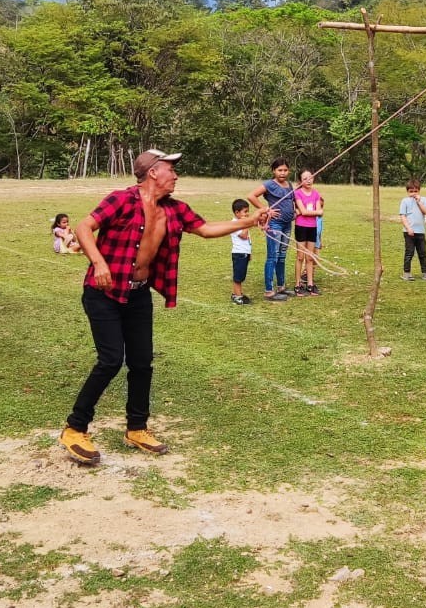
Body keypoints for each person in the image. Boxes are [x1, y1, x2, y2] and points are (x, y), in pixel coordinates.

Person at [60, 149, 269, 464]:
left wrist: (251, 220)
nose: (176, 175)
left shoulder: (175, 209)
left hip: (138, 294)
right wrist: (99, 262)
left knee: (143, 362)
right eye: (171, 170)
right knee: (111, 360)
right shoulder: (121, 199)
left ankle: (137, 427)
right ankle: (75, 429)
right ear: (153, 172)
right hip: (103, 293)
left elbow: (205, 229)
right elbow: (84, 227)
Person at [248, 158, 296, 302]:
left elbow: (291, 201)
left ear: (289, 171)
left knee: (282, 256)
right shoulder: (269, 184)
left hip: (287, 224)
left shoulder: (289, 185)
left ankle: (281, 286)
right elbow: (251, 196)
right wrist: (266, 210)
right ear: (273, 171)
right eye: (279, 170)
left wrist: (294, 212)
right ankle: (269, 291)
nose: (282, 173)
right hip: (275, 225)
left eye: (285, 170)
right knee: (272, 257)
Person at [292, 170, 323, 296]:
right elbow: (304, 212)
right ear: (301, 181)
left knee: (310, 257)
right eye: (305, 178)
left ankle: (310, 284)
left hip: (312, 227)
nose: (309, 180)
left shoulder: (316, 193)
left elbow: (320, 211)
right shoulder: (297, 193)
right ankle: (297, 284)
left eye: (310, 178)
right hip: (301, 227)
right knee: (300, 257)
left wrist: (306, 212)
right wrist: (312, 212)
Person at [398, 180, 426, 281]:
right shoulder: (404, 201)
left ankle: (425, 273)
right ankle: (407, 273)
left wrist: (419, 202)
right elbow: (403, 216)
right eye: (411, 191)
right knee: (409, 252)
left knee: (422, 253)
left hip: (420, 231)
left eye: (416, 191)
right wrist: (408, 228)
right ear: (407, 191)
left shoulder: (423, 199)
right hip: (409, 232)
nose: (413, 193)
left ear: (419, 191)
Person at [230, 198, 254, 306]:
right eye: (245, 212)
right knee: (238, 277)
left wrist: (249, 253)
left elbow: (247, 240)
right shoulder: (235, 224)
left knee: (241, 275)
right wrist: (247, 224)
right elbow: (243, 236)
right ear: (237, 213)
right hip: (238, 253)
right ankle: (237, 296)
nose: (247, 214)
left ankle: (238, 293)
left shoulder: (242, 222)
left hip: (244, 253)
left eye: (248, 211)